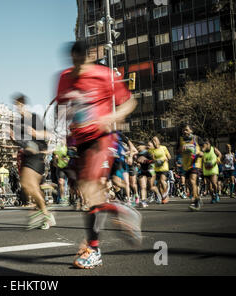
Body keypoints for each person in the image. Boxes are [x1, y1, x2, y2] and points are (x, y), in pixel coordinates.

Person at [55, 40, 142, 269]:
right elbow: (63, 110)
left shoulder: (104, 75)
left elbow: (130, 102)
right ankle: (118, 210)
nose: (79, 70)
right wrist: (63, 135)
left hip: (103, 138)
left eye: (83, 63)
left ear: (89, 59)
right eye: (75, 64)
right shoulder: (64, 77)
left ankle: (94, 249)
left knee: (91, 191)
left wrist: (111, 117)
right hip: (81, 142)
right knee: (88, 195)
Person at [10, 94, 55, 230]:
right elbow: (21, 142)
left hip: (38, 155)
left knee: (27, 184)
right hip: (27, 157)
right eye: (15, 106)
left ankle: (45, 214)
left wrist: (37, 134)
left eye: (18, 105)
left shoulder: (34, 118)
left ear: (24, 105)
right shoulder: (18, 123)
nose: (17, 108)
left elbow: (48, 134)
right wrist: (13, 138)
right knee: (29, 187)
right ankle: (46, 214)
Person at [177, 124, 203, 211]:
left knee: (192, 180)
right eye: (184, 130)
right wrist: (181, 149)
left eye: (187, 130)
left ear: (191, 131)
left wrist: (201, 152)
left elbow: (206, 145)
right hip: (186, 164)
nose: (185, 131)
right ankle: (197, 198)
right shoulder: (180, 140)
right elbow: (177, 151)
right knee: (189, 184)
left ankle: (195, 201)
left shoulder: (196, 138)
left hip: (195, 163)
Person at [150, 136, 171, 204]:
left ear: (158, 141)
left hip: (164, 167)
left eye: (155, 140)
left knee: (162, 180)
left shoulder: (163, 148)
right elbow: (152, 159)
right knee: (159, 185)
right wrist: (157, 161)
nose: (154, 142)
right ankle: (163, 197)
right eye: (153, 141)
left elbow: (169, 156)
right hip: (157, 168)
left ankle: (166, 195)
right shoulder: (152, 150)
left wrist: (166, 159)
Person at [201, 139, 222, 203]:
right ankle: (213, 197)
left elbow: (220, 154)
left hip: (213, 169)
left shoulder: (213, 149)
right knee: (209, 186)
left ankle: (216, 194)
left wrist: (218, 159)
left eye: (205, 145)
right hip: (206, 170)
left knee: (214, 183)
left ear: (208, 144)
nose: (204, 146)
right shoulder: (203, 151)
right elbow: (201, 160)